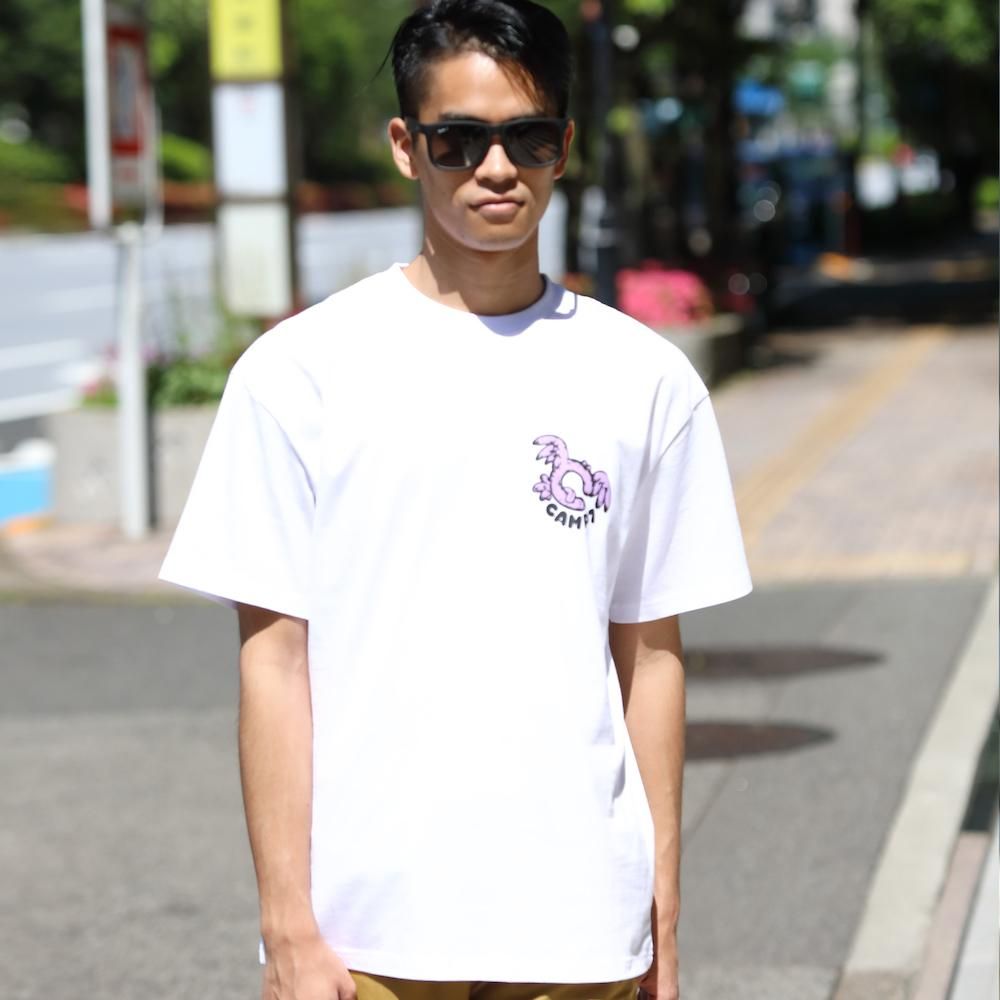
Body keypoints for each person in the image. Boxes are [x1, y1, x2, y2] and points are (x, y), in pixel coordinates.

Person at [159, 1, 752, 998]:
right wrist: (287, 924)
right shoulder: (298, 372)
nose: (495, 167)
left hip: (580, 929)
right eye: (459, 139)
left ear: (564, 148)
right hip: (368, 935)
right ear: (407, 146)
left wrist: (660, 917)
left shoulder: (644, 379)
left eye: (528, 137)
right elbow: (274, 658)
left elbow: (651, 657)